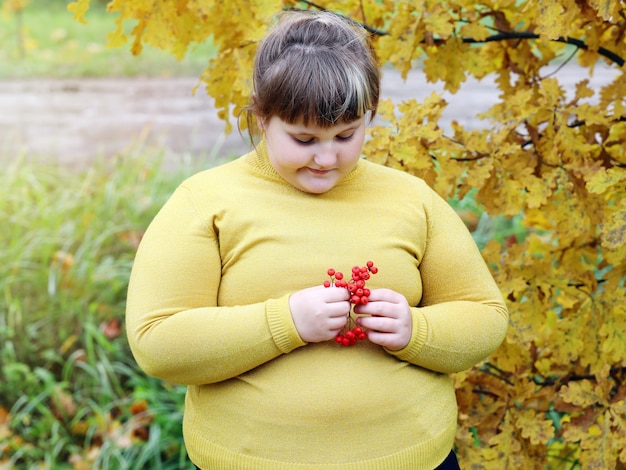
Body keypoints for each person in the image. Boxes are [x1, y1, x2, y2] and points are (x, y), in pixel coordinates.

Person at [125, 9, 509, 470]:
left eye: (347, 135)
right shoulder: (205, 203)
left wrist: (416, 330)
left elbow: (485, 316)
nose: (327, 158)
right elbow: (157, 341)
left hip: (414, 459)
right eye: (304, 139)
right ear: (263, 116)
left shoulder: (411, 199)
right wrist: (285, 322)